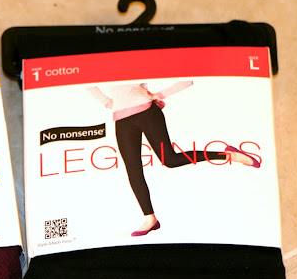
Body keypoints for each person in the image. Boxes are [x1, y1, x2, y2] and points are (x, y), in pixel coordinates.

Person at [88, 81, 260, 237]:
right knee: (133, 171)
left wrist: (157, 95)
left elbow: (187, 80)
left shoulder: (140, 60)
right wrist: (106, 101)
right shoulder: (106, 63)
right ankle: (150, 219)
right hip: (122, 121)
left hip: (147, 114)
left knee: (170, 160)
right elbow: (88, 83)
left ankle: (229, 155)